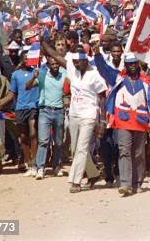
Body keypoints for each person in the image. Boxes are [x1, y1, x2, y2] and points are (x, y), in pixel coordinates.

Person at [93, 49, 150, 196]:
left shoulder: (146, 82)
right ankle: (125, 183)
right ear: (125, 65)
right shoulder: (118, 78)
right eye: (129, 64)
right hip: (123, 122)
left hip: (141, 123)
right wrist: (97, 55)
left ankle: (137, 183)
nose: (131, 66)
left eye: (134, 64)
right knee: (124, 151)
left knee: (138, 154)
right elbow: (104, 69)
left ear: (138, 64)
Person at [43, 42, 107, 193]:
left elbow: (103, 96)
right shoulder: (73, 68)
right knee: (75, 149)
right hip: (74, 113)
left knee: (82, 148)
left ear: (85, 60)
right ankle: (93, 174)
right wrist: (43, 41)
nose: (75, 65)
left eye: (78, 62)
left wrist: (102, 120)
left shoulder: (94, 75)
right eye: (74, 62)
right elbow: (55, 55)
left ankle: (75, 181)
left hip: (89, 114)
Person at [27, 55, 70, 179]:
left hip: (59, 111)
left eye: (57, 64)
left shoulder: (64, 75)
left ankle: (56, 166)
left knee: (58, 142)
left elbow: (69, 89)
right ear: (48, 66)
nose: (55, 66)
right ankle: (40, 168)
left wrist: (67, 99)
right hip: (45, 111)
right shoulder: (42, 75)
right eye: (53, 64)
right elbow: (28, 86)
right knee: (43, 141)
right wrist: (33, 77)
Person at [3, 47, 40, 177]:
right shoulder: (15, 75)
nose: (27, 60)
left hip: (33, 107)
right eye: (25, 59)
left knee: (33, 134)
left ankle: (35, 164)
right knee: (23, 137)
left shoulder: (36, 72)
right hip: (20, 108)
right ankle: (28, 162)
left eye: (29, 58)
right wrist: (1, 103)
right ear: (21, 60)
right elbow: (12, 93)